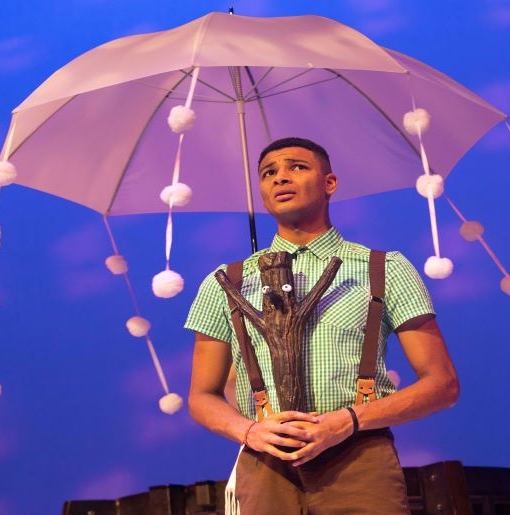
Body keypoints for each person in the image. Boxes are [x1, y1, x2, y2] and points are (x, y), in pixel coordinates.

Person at [186, 137, 459, 514]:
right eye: (269, 172)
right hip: (266, 463)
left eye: (296, 167)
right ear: (262, 192)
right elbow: (202, 396)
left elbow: (442, 384)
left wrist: (347, 421)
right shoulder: (228, 281)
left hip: (358, 458)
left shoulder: (382, 269)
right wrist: (249, 431)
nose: (281, 177)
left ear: (330, 183)